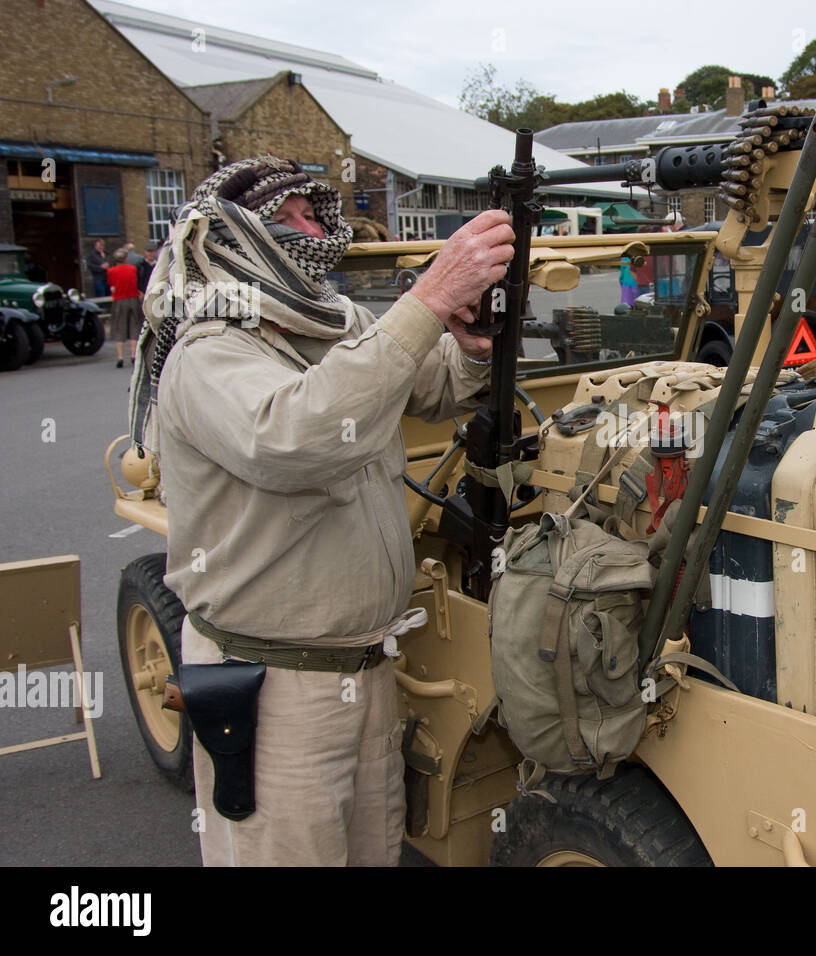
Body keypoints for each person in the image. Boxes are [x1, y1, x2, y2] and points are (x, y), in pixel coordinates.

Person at [126, 156, 513, 866]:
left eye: (317, 215)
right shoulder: (211, 351)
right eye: (294, 219)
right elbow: (295, 438)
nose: (317, 233)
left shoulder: (332, 322)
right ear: (238, 238)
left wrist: (472, 344)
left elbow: (431, 387)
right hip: (274, 689)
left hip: (364, 671)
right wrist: (427, 299)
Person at [106, 247, 143, 368]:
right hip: (132, 298)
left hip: (119, 300)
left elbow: (111, 284)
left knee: (119, 326)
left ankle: (120, 357)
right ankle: (133, 354)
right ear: (125, 258)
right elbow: (135, 282)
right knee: (134, 325)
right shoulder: (132, 269)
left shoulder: (111, 271)